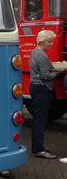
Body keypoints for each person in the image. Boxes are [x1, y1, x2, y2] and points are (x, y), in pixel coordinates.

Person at [30, 30, 62, 159]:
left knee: (39, 119)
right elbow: (45, 76)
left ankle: (38, 147)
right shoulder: (41, 55)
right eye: (49, 41)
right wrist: (60, 71)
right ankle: (38, 150)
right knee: (40, 120)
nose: (51, 44)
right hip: (41, 89)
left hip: (37, 88)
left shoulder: (34, 53)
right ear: (42, 42)